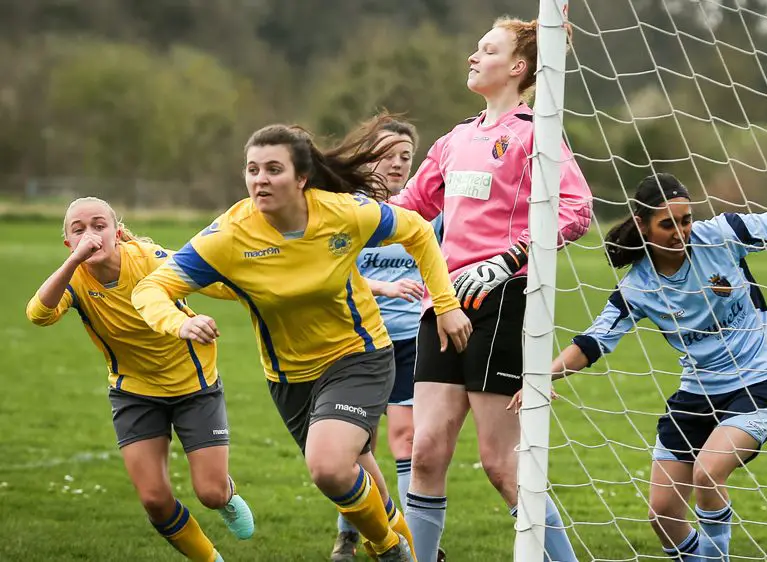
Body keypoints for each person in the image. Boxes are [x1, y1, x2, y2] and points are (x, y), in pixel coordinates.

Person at [132, 115, 472, 562]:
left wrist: (445, 305)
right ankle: (407, 546)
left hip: (359, 355)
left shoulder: (345, 214)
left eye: (273, 169)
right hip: (288, 376)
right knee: (356, 472)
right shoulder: (230, 235)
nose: (260, 180)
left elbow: (417, 231)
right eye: (252, 170)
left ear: (302, 177)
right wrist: (177, 323)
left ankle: (390, 550)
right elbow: (151, 288)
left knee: (329, 467)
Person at [510, 173, 767, 560]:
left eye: (686, 220)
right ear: (642, 225)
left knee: (708, 473)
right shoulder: (637, 286)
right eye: (667, 224)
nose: (681, 231)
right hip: (696, 393)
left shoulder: (722, 234)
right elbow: (593, 342)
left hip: (758, 383)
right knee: (663, 515)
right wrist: (542, 377)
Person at [390, 16, 592, 562]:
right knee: (426, 451)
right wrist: (348, 210)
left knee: (501, 464)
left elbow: (577, 210)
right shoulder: (456, 138)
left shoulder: (536, 133)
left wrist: (510, 259)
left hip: (501, 304)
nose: (472, 57)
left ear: (518, 67)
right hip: (444, 301)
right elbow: (409, 208)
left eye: (487, 49)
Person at [26, 197, 254, 562]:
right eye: (79, 230)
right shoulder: (75, 279)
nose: (91, 236)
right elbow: (39, 314)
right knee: (154, 500)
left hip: (193, 385)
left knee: (210, 493)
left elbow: (207, 272)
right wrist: (72, 264)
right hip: (134, 393)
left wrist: (197, 319)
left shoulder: (148, 257)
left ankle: (226, 495)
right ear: (68, 243)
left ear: (117, 234)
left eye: (100, 226)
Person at [332, 119, 446, 562]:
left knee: (406, 438)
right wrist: (383, 288)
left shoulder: (426, 213)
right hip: (355, 339)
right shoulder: (347, 208)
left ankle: (411, 542)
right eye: (389, 153)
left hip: (408, 340)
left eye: (406, 155)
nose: (398, 163)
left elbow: (441, 261)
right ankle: (349, 532)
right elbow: (331, 267)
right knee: (359, 444)